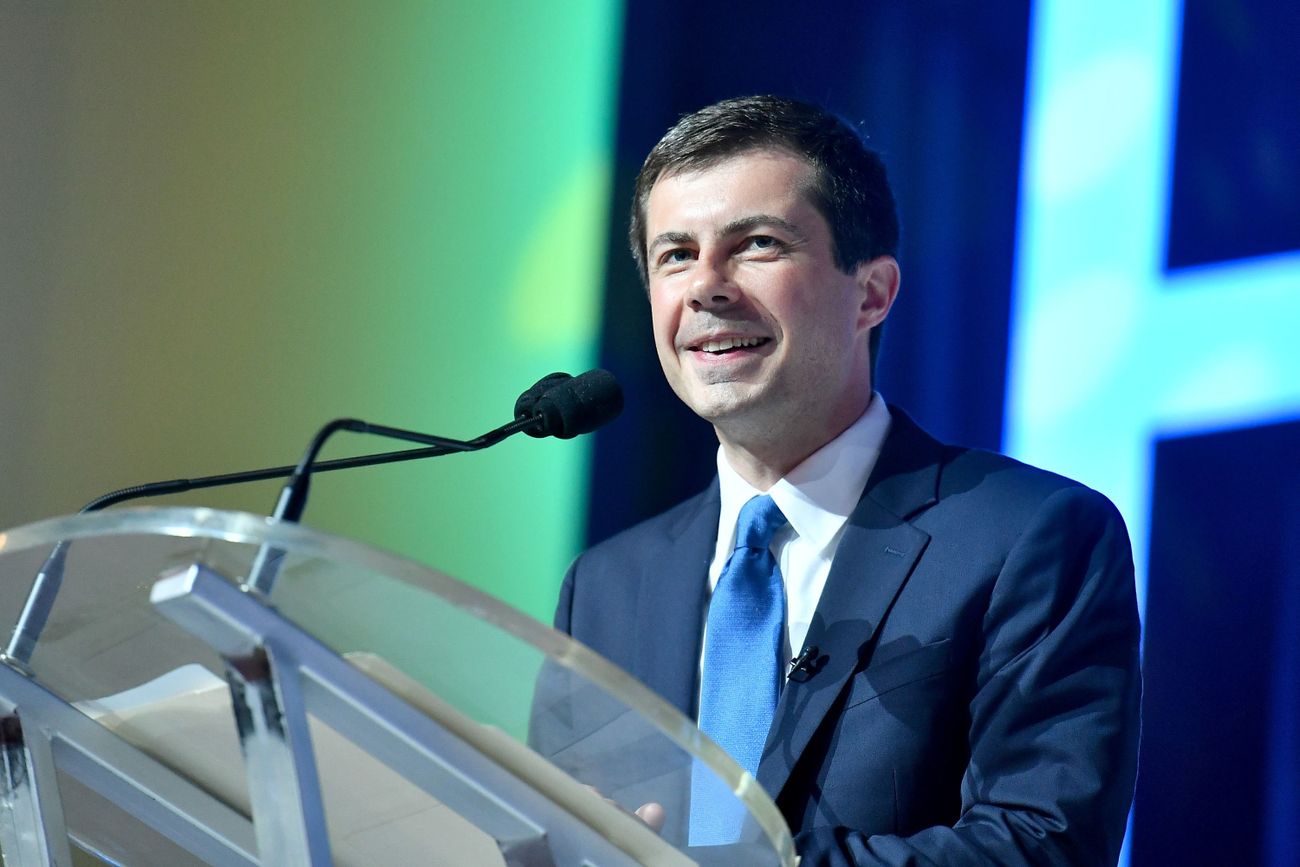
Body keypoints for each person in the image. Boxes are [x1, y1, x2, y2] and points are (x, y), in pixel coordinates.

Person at [551, 95, 1141, 866]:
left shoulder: (1033, 535)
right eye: (676, 254)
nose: (706, 286)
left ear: (872, 293)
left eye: (756, 244)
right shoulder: (604, 588)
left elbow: (1040, 845)